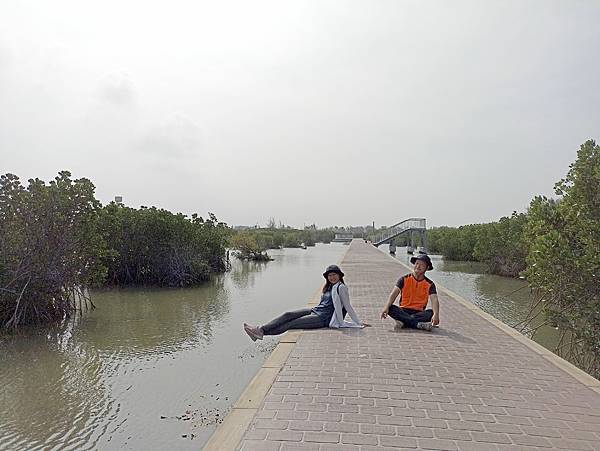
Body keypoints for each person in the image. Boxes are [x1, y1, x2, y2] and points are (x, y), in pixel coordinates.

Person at [243, 265, 367, 341]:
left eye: (334, 275)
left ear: (339, 276)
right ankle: (260, 330)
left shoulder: (341, 288)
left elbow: (348, 306)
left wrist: (358, 323)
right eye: (330, 275)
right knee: (288, 314)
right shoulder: (329, 287)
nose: (332, 277)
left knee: (292, 323)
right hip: (316, 310)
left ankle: (261, 331)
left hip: (323, 318)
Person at [380, 254, 439, 332]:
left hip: (419, 313)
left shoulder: (430, 284)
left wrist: (436, 315)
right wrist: (386, 307)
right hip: (403, 310)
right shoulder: (404, 279)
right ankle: (418, 324)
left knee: (431, 313)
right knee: (390, 308)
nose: (418, 266)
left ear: (427, 268)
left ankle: (404, 321)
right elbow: (393, 294)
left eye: (422, 265)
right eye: (417, 263)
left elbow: (434, 299)